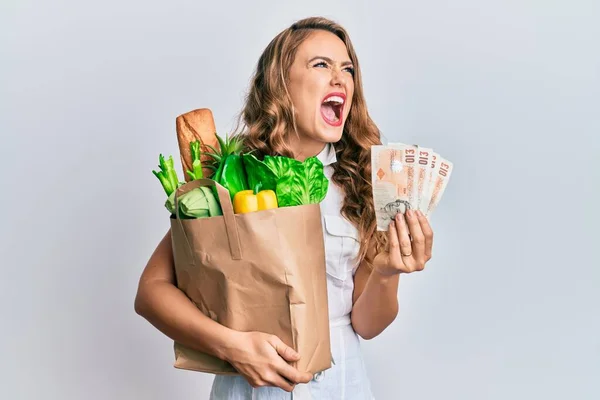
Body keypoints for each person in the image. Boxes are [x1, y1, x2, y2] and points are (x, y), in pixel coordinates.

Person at [134, 16, 434, 399]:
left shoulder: (361, 183)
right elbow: (151, 292)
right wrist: (230, 346)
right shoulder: (231, 177)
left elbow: (367, 323)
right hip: (248, 389)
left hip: (342, 386)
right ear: (280, 85)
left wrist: (389, 272)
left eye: (348, 69)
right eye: (321, 65)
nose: (340, 78)